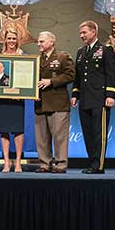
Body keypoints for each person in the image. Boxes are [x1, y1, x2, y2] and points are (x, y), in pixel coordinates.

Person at [71, 21, 115, 174]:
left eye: (84, 32)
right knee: (88, 133)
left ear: (94, 32)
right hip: (85, 98)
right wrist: (75, 94)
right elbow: (78, 76)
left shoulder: (105, 50)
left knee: (99, 134)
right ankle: (92, 163)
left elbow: (111, 74)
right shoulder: (81, 52)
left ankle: (99, 165)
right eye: (80, 33)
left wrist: (111, 94)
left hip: (100, 98)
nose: (81, 35)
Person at [35, 31, 75, 173]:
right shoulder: (36, 60)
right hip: (40, 103)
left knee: (59, 137)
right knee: (42, 138)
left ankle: (60, 164)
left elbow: (70, 75)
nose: (39, 44)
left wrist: (51, 81)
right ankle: (44, 164)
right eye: (38, 42)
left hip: (58, 103)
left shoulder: (63, 57)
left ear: (51, 42)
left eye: (42, 41)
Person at [0, 29, 24, 173]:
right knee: (4, 130)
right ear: (5, 40)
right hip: (3, 100)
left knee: (19, 130)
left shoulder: (23, 57)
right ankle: (6, 162)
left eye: (14, 38)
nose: (11, 41)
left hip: (18, 99)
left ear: (17, 40)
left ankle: (18, 162)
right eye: (9, 38)